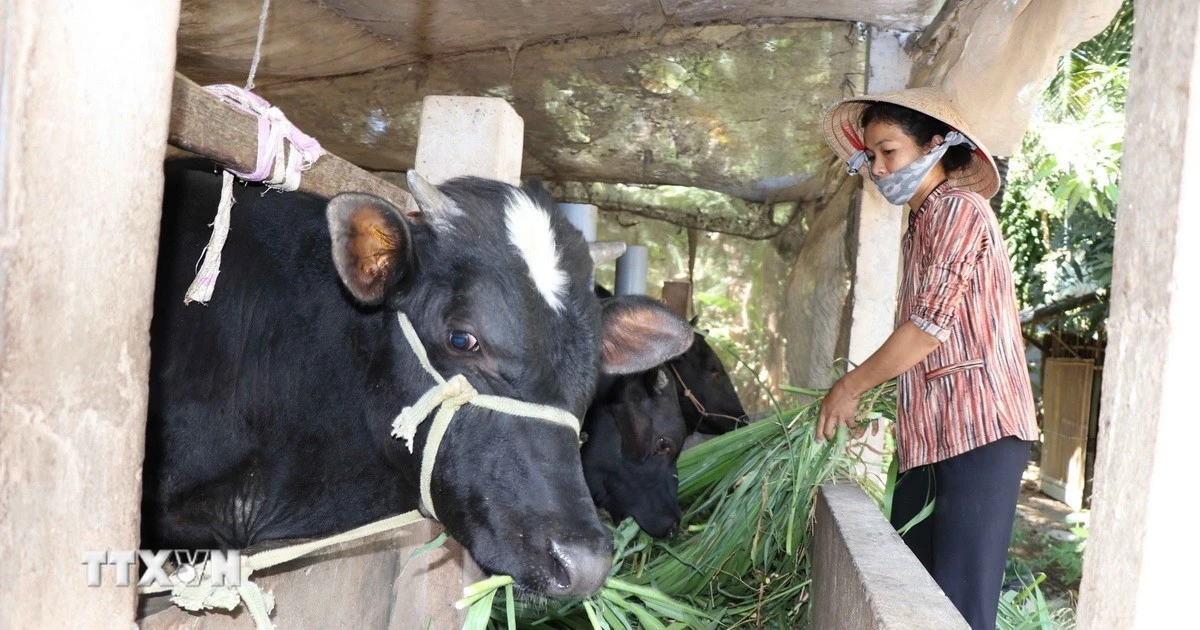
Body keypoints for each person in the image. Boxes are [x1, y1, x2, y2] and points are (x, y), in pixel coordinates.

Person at [815, 87, 1038, 630]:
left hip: (979, 431)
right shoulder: (923, 224)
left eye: (889, 151)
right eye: (870, 156)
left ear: (937, 145)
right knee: (916, 595)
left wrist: (851, 387)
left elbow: (928, 328)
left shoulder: (959, 210)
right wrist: (887, 399)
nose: (878, 167)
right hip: (934, 436)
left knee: (960, 607)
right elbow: (935, 343)